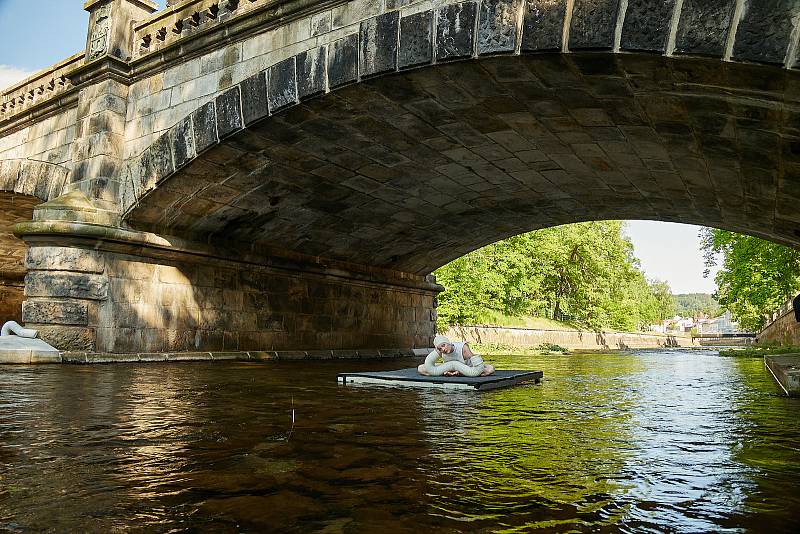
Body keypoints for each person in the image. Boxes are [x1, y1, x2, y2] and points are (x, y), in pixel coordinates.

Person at [417, 335, 495, 377]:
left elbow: (476, 363)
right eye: (440, 348)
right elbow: (429, 364)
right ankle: (446, 374)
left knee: (490, 369)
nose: (443, 349)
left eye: (443, 345)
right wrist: (444, 371)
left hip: (467, 368)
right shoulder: (440, 351)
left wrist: (463, 371)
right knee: (421, 368)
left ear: (448, 343)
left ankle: (461, 374)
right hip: (448, 369)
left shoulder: (463, 348)